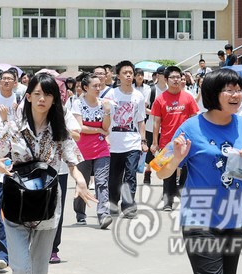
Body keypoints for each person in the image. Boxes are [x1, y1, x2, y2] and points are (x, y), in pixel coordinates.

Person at [156, 69, 242, 274]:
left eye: (238, 90)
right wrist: (176, 157)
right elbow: (161, 173)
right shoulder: (190, 128)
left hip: (234, 218)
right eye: (229, 90)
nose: (237, 95)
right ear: (213, 94)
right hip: (198, 219)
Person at [0, 73, 96, 274]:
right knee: (22, 269)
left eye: (48, 94)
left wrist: (81, 183)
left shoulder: (59, 130)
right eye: (37, 93)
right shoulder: (13, 126)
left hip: (47, 207)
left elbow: (72, 161)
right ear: (29, 97)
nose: (42, 98)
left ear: (55, 99)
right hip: (17, 206)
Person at [151, 66, 199, 211]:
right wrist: (154, 142)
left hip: (186, 142)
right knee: (168, 173)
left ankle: (183, 196)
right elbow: (156, 122)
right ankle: (168, 202)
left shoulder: (188, 97)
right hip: (167, 142)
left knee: (186, 171)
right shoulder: (160, 99)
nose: (176, 80)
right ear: (166, 80)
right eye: (173, 77)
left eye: (178, 77)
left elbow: (194, 119)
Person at [106, 60, 148, 218]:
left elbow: (140, 120)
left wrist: (143, 141)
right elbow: (106, 116)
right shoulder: (111, 94)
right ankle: (112, 204)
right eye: (125, 73)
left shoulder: (139, 96)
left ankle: (129, 206)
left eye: (131, 73)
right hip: (114, 144)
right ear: (119, 76)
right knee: (114, 178)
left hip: (133, 142)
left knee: (130, 176)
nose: (129, 75)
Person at [71, 73, 113, 229]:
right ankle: (80, 214)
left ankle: (103, 215)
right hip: (82, 150)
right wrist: (99, 131)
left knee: (102, 183)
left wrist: (107, 111)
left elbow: (105, 127)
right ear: (85, 88)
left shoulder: (104, 103)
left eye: (100, 85)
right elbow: (79, 127)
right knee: (83, 183)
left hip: (101, 149)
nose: (98, 88)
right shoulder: (77, 103)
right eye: (95, 86)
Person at [0, 70, 18, 270]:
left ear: (14, 83)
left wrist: (7, 120)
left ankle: (6, 253)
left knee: (9, 204)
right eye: (3, 79)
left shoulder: (19, 100)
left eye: (9, 79)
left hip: (12, 157)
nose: (6, 82)